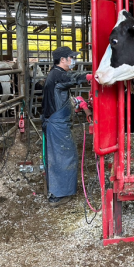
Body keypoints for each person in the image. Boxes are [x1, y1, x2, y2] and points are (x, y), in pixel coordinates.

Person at [41, 46, 88, 207]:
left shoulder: (55, 74)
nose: (73, 60)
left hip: (58, 124)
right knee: (62, 158)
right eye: (71, 57)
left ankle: (60, 191)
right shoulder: (57, 75)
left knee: (63, 156)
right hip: (57, 126)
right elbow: (73, 78)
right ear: (63, 60)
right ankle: (57, 195)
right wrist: (91, 76)